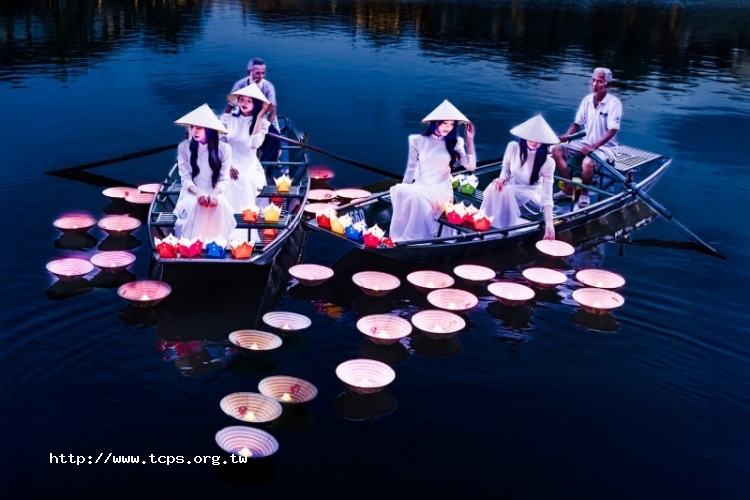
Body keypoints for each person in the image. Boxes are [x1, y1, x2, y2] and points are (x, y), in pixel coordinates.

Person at [388, 100, 476, 242]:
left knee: (418, 197)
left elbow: (470, 167)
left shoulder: (455, 142)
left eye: (452, 124)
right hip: (421, 185)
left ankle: (417, 238)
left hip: (441, 189)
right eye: (444, 123)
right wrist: (406, 188)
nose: (448, 127)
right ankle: (401, 234)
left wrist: (469, 140)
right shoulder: (417, 140)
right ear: (435, 122)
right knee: (401, 191)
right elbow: (411, 168)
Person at [480, 114, 559, 240]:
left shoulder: (548, 162)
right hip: (511, 190)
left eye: (538, 139)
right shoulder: (513, 147)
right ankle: (485, 224)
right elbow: (506, 170)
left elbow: (547, 195)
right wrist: (503, 179)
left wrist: (549, 223)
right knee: (494, 187)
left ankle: (501, 232)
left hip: (532, 198)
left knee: (506, 191)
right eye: (531, 138)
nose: (534, 142)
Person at [552, 67, 622, 208]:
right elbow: (577, 124)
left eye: (599, 81)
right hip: (586, 143)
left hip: (605, 149)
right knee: (556, 149)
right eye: (593, 80)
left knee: (587, 163)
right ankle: (568, 187)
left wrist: (593, 147)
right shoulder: (587, 100)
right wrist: (568, 135)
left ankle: (584, 192)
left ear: (607, 84)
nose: (594, 84)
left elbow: (612, 131)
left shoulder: (614, 103)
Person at [172, 104, 237, 242]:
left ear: (209, 130)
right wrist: (198, 193)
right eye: (192, 127)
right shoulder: (184, 147)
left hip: (215, 192)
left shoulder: (224, 149)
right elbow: (185, 178)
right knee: (197, 205)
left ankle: (216, 244)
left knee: (218, 204)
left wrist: (214, 193)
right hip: (191, 193)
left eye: (199, 127)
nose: (194, 131)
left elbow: (224, 179)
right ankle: (192, 245)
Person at [219, 83, 273, 212]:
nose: (244, 103)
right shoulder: (228, 119)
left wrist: (260, 117)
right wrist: (228, 165)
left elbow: (255, 144)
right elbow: (220, 143)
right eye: (242, 99)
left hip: (249, 164)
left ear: (256, 104)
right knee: (223, 179)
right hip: (227, 161)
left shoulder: (262, 123)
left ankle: (246, 215)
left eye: (249, 101)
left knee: (244, 180)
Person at [226, 57, 281, 166]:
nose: (261, 76)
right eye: (257, 73)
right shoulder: (240, 85)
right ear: (249, 72)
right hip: (241, 117)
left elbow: (272, 111)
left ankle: (265, 164)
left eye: (263, 73)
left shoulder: (268, 87)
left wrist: (265, 126)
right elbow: (229, 107)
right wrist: (227, 122)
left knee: (274, 139)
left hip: (260, 118)